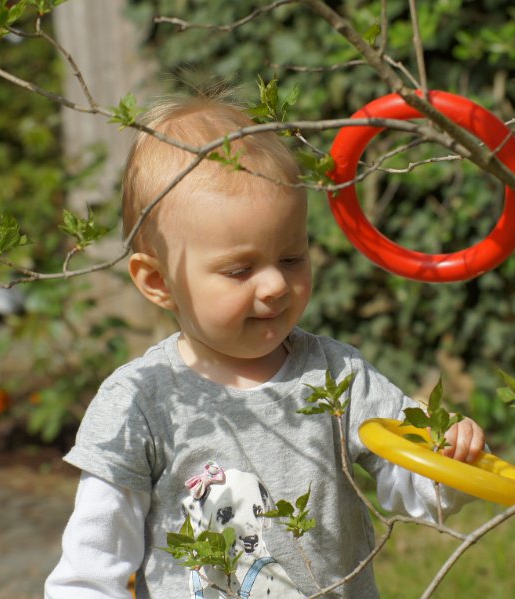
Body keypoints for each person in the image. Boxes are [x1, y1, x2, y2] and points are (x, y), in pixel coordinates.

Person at [45, 96, 487, 599]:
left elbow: (416, 487)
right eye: (240, 270)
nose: (276, 285)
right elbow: (90, 570)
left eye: (293, 257)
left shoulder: (335, 374)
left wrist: (452, 460)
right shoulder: (139, 401)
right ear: (158, 282)